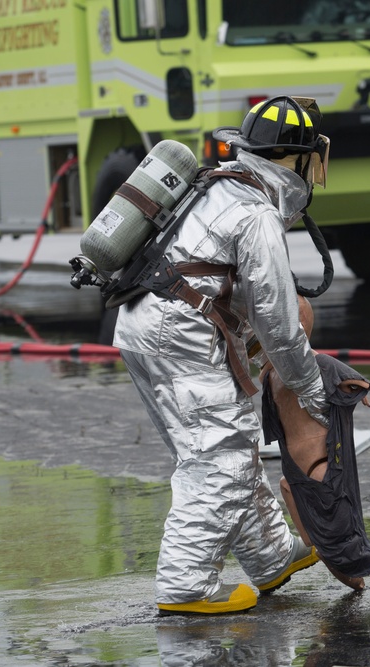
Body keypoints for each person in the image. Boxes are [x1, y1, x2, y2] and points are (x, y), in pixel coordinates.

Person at [112, 96, 332, 615]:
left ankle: (273, 554)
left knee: (229, 446)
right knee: (218, 459)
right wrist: (314, 394)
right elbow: (278, 324)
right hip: (179, 332)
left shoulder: (221, 185)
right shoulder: (255, 213)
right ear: (298, 160)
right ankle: (185, 587)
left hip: (149, 324)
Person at [260, 295, 370, 592]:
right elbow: (357, 385)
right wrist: (353, 388)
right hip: (303, 477)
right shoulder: (278, 371)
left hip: (309, 474)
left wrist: (352, 387)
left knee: (341, 545)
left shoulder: (286, 370)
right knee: (334, 545)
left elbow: (355, 385)